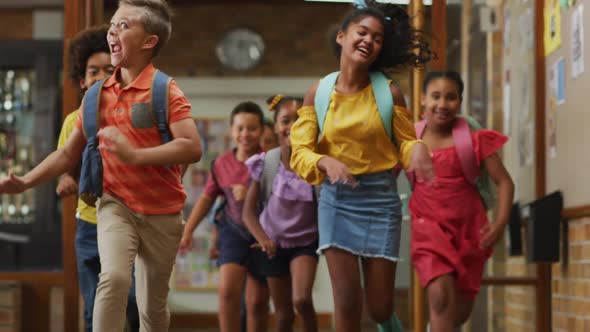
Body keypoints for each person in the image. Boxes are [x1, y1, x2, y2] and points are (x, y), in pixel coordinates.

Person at [0, 0, 202, 330]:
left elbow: (192, 147)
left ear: (149, 42)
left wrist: (135, 156)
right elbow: (66, 154)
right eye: (112, 25)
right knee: (115, 278)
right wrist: (24, 182)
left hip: (162, 212)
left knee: (151, 305)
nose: (112, 31)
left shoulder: (165, 91)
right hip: (115, 204)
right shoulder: (96, 97)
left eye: (124, 25)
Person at [289, 1, 434, 331]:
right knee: (348, 302)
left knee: (381, 307)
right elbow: (300, 150)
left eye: (378, 37)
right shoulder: (320, 92)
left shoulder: (389, 93)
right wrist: (325, 161)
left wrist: (419, 149)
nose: (369, 40)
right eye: (362, 32)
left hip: (381, 201)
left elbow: (405, 141)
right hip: (336, 200)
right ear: (342, 36)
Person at [409, 71, 514, 332]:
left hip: (469, 231)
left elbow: (504, 182)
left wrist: (500, 224)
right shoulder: (410, 140)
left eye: (450, 97)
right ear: (423, 99)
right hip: (428, 228)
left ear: (460, 102)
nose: (442, 104)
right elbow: (384, 176)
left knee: (459, 312)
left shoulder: (472, 139)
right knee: (441, 296)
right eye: (435, 96)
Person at [56, 24, 140, 332]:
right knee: (94, 311)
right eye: (93, 71)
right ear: (82, 80)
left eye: (109, 69)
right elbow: (66, 165)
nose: (100, 76)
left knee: (131, 300)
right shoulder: (72, 122)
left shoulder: (134, 118)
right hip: (90, 225)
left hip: (129, 221)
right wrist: (65, 180)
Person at [180, 101, 270, 332]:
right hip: (233, 232)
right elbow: (207, 199)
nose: (245, 134)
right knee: (227, 292)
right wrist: (188, 231)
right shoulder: (221, 164)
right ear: (231, 130)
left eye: (252, 128)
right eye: (240, 128)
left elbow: (280, 199)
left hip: (264, 234)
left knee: (257, 302)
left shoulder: (270, 161)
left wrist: (251, 190)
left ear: (261, 131)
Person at [243, 95, 319, 332]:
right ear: (275, 127)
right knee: (284, 315)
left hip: (305, 242)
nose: (292, 126)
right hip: (273, 245)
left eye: (299, 120)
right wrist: (262, 238)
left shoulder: (316, 164)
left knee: (302, 301)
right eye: (286, 121)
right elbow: (248, 212)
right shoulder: (267, 163)